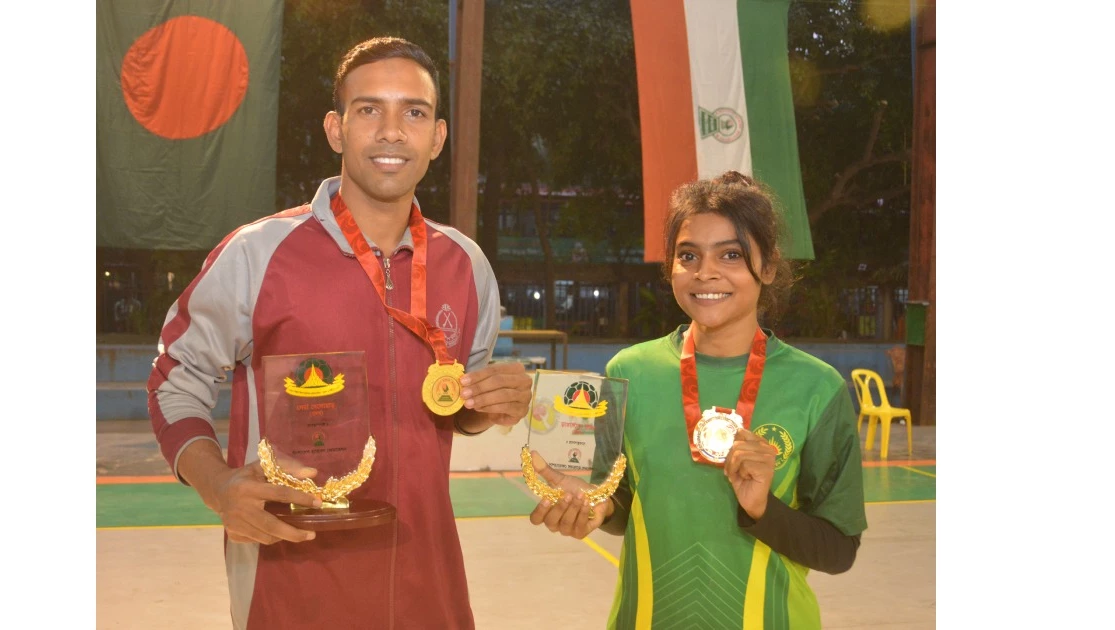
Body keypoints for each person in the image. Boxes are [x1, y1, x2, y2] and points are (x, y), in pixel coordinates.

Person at [146, 37, 532, 629]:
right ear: (336, 129)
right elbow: (176, 380)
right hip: (290, 583)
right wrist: (219, 485)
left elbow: (457, 406)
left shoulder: (466, 264)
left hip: (430, 587)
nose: (392, 131)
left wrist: (489, 405)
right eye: (369, 109)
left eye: (414, 112)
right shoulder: (258, 253)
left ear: (438, 136)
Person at [527, 172, 867, 629]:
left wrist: (765, 509)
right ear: (671, 268)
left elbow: (839, 549)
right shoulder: (627, 372)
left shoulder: (817, 388)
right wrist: (596, 507)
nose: (705, 272)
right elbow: (620, 502)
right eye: (689, 255)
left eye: (730, 254)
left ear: (767, 267)